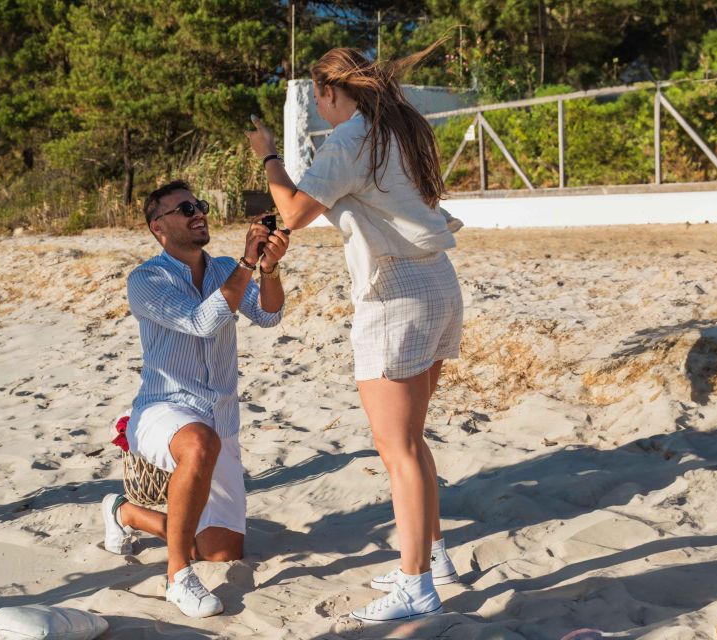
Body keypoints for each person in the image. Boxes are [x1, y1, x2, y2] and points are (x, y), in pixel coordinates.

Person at [245, 45, 463, 623]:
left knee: (399, 447)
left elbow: (291, 212)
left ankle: (416, 584)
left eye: (318, 97)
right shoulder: (400, 132)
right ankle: (432, 556)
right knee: (412, 439)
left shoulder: (352, 138)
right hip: (439, 283)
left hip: (395, 293)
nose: (318, 107)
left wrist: (268, 157)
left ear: (329, 93)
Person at [100, 180, 289, 618]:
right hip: (163, 408)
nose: (197, 212)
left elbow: (270, 316)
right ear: (158, 227)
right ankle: (177, 578)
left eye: (199, 204)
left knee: (221, 551)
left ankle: (125, 512)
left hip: (220, 415)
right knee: (199, 443)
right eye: (184, 208)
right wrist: (245, 262)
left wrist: (269, 268)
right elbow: (201, 322)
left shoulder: (224, 268)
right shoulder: (146, 279)